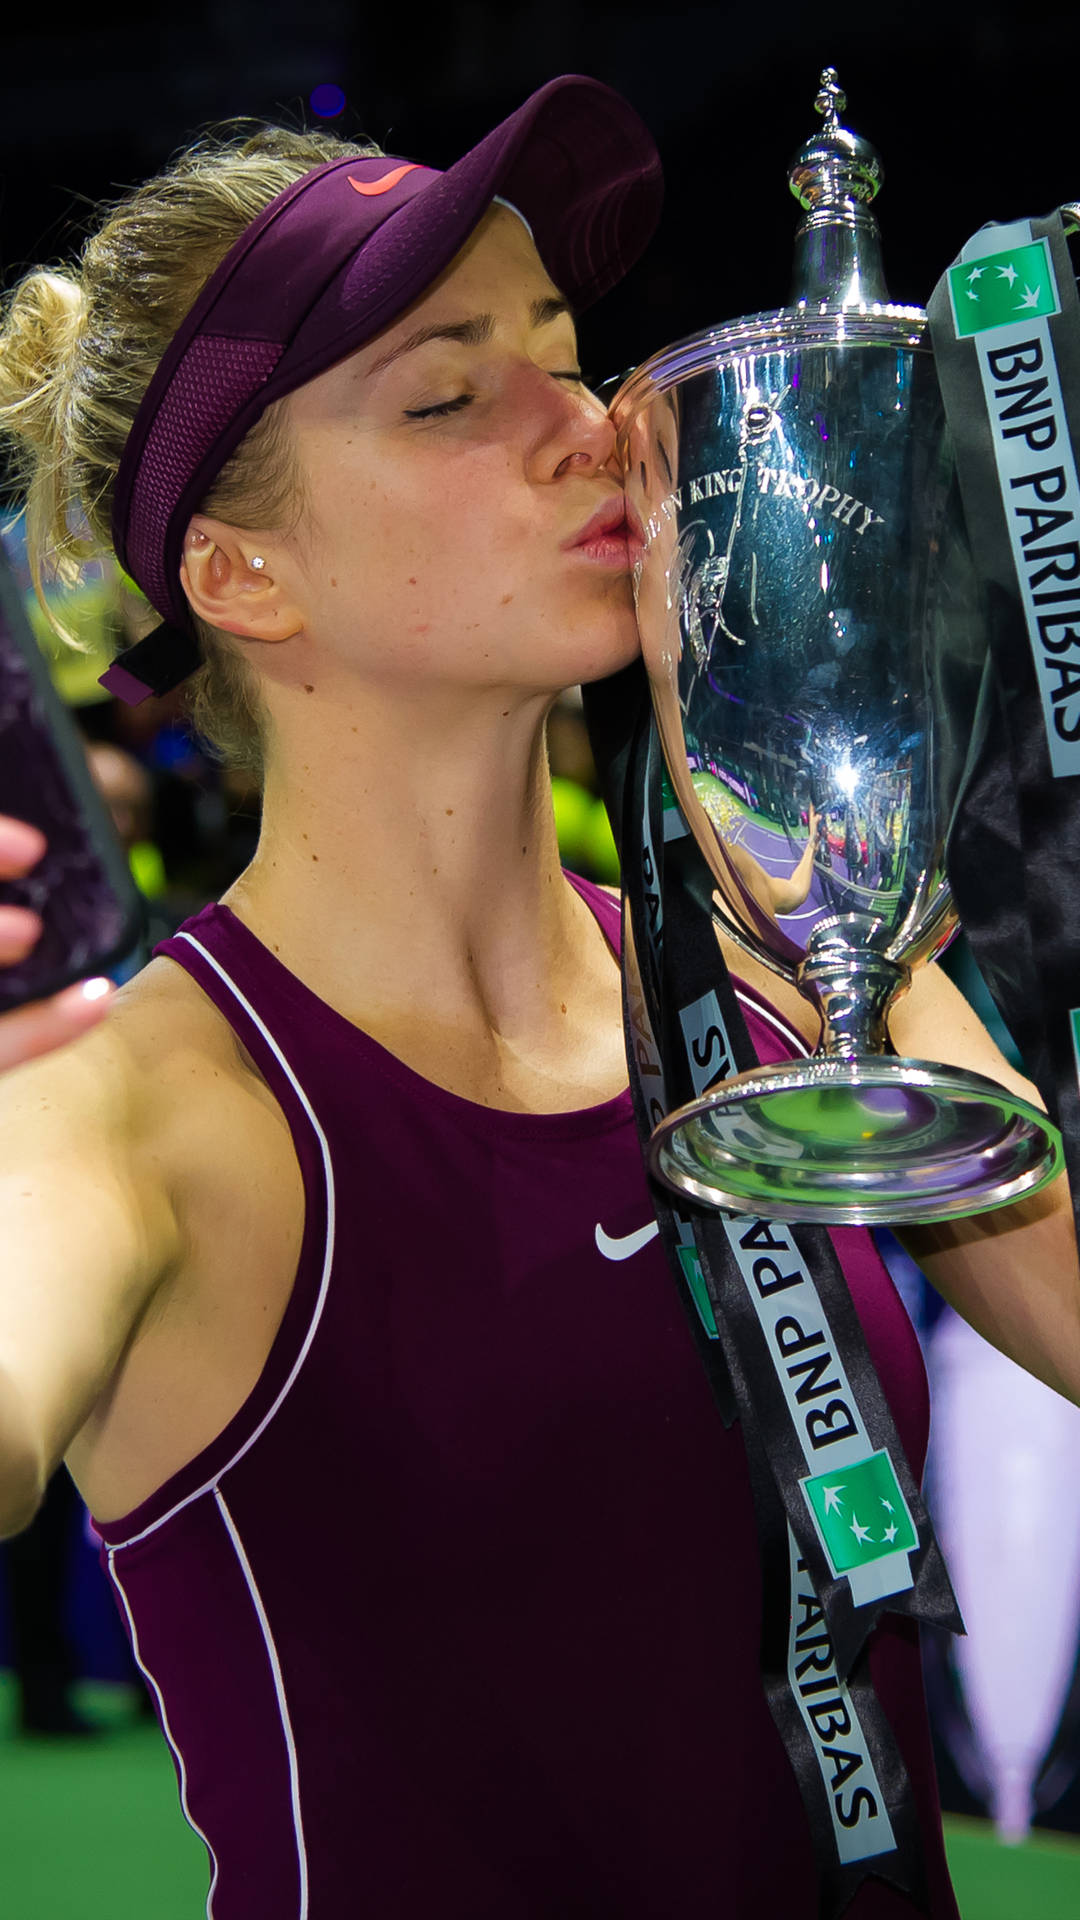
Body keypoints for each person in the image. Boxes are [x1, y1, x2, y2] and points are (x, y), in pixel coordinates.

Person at [0, 75, 1076, 1919]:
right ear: (241, 574)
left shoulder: (799, 962)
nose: (591, 428)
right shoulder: (137, 1112)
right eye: (447, 392)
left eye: (562, 352)